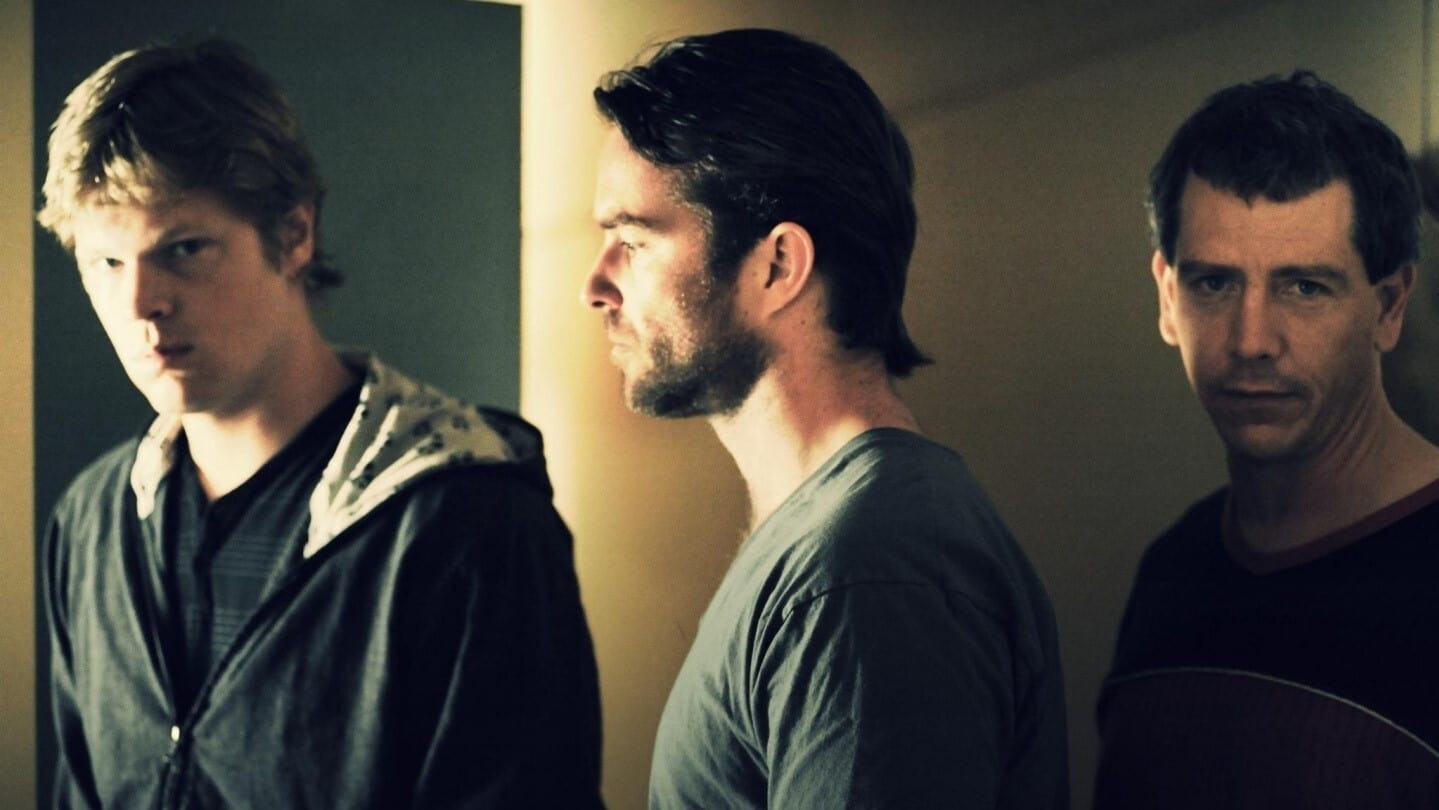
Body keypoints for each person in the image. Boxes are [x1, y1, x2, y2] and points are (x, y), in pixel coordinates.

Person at [39, 38, 602, 808]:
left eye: (185, 249)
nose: (140, 302)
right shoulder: (91, 522)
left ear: (294, 234)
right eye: (106, 263)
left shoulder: (469, 527)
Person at [583, 28, 1069, 808]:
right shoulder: (834, 544)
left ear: (778, 265)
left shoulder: (869, 570)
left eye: (633, 241)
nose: (596, 286)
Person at [1095, 71, 1439, 807]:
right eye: (1214, 284)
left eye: (1303, 287)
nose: (1251, 340)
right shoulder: (1172, 570)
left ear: (1388, 306)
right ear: (1167, 297)